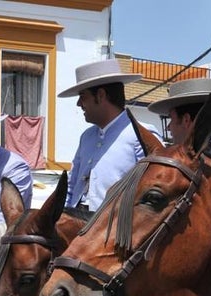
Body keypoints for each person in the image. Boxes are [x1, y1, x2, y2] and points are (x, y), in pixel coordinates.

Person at [58, 59, 145, 214]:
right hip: (75, 221)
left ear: (100, 95)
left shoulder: (140, 135)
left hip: (113, 225)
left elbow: (150, 194)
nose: (79, 103)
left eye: (83, 96)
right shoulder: (87, 137)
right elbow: (71, 185)